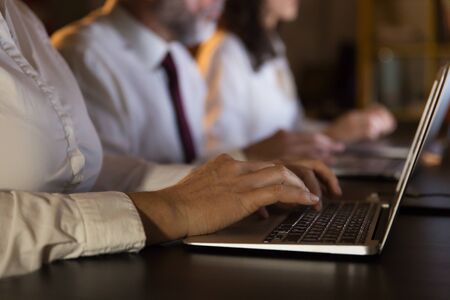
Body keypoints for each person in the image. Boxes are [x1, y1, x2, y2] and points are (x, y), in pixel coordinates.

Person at [0, 0, 341, 278]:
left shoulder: (23, 19)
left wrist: (242, 178)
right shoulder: (84, 51)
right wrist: (174, 207)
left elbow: (88, 170)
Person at [52, 0, 344, 164]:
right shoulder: (83, 55)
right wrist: (247, 159)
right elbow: (104, 181)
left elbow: (192, 160)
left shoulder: (180, 61)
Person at [196, 0, 397, 160]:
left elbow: (293, 126)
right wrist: (331, 135)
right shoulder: (226, 52)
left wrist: (351, 126)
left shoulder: (272, 46)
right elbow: (218, 155)